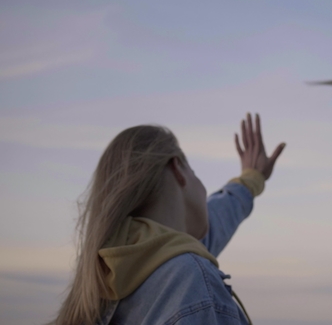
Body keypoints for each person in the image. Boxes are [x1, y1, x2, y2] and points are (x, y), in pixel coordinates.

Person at [51, 113, 286, 325]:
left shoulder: (115, 269)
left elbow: (214, 223)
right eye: (194, 172)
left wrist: (251, 180)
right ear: (178, 169)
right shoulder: (189, 281)